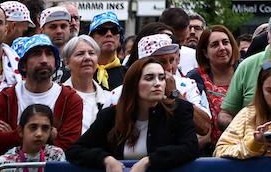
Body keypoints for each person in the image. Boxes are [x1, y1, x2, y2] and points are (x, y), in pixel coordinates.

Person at [67, 55, 200, 170]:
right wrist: (106, 159)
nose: (157, 83)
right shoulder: (111, 115)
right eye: (149, 78)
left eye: (161, 78)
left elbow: (190, 147)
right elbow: (75, 150)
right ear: (133, 84)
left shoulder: (179, 110)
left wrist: (149, 161)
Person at [0, 34, 84, 154]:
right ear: (23, 65)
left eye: (49, 54)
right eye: (36, 54)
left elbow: (69, 148)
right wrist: (48, 136)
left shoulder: (70, 99)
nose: (44, 60)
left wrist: (12, 135)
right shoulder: (4, 99)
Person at [188, 24, 239, 143]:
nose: (222, 48)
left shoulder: (244, 70)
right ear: (205, 52)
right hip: (207, 149)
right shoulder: (194, 78)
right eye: (215, 44)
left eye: (225, 42)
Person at [62, 35, 114, 132]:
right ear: (67, 62)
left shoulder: (109, 98)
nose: (87, 58)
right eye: (80, 54)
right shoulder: (58, 96)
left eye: (91, 53)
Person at [0, 104, 66, 169]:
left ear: (50, 131)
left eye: (45, 128)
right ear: (20, 131)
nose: (39, 134)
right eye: (33, 127)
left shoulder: (56, 155)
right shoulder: (4, 163)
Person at [88, 12, 125, 90]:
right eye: (102, 31)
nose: (109, 34)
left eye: (114, 30)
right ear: (91, 38)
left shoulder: (129, 74)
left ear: (119, 37)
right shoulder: (82, 72)